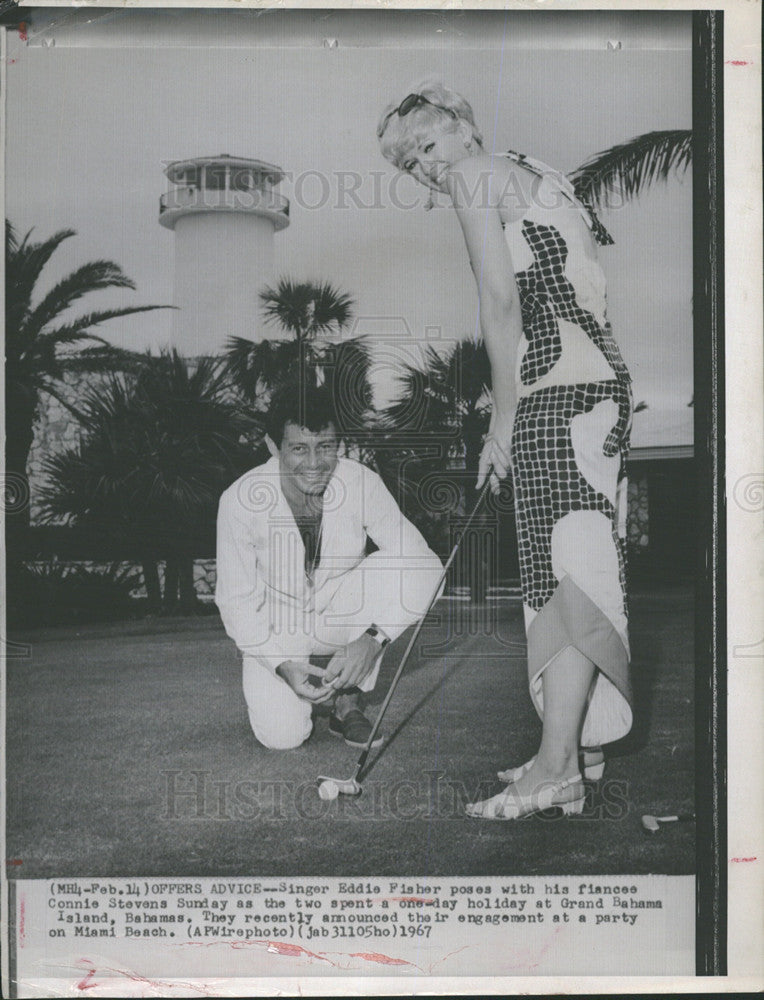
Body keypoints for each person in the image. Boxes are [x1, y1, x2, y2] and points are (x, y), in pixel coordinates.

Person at [377, 81, 633, 820]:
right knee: (577, 562)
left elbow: (499, 302)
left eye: (427, 145)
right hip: (596, 387)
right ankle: (574, 748)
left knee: (566, 577)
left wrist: (502, 421)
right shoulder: (537, 172)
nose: (427, 167)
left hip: (557, 392)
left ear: (462, 126)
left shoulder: (474, 173)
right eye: (410, 164)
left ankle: (555, 769)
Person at [215, 383, 444, 751]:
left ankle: (347, 703)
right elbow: (235, 602)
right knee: (282, 737)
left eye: (326, 447)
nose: (315, 463)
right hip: (277, 623)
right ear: (273, 447)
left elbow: (427, 567)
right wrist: (280, 664)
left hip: (341, 609)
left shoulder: (360, 481)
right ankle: (299, 694)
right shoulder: (239, 501)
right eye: (299, 449)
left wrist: (375, 638)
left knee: (400, 564)